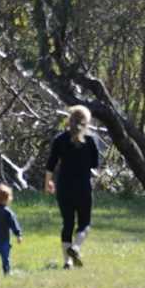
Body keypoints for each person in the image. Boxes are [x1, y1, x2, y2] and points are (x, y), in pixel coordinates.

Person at [45, 105, 100, 269]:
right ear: (86, 122)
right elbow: (94, 165)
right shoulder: (90, 140)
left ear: (69, 120)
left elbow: (51, 164)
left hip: (64, 187)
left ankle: (67, 262)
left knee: (67, 223)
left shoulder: (60, 139)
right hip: (83, 187)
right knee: (84, 224)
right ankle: (75, 248)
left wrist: (48, 182)